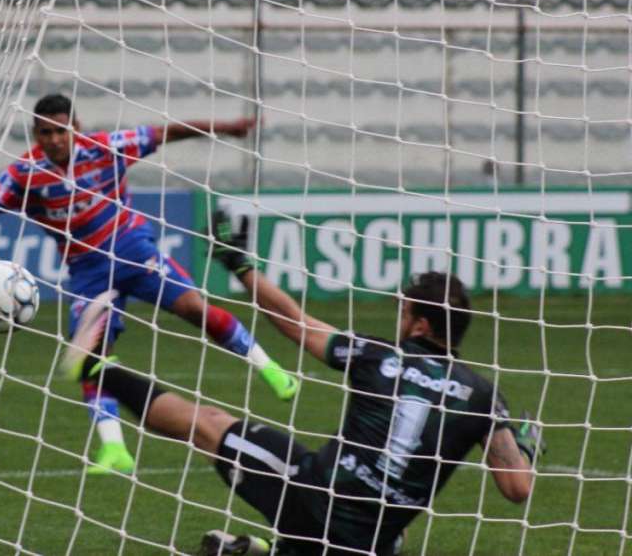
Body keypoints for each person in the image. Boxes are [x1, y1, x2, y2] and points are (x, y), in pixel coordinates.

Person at [60, 211, 545, 555]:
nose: (399, 318)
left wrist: (239, 266)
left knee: (207, 423)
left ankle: (100, 369)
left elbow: (295, 322)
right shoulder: (485, 398)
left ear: (420, 326)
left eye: (404, 311)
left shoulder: (381, 357)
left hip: (313, 497)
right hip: (374, 541)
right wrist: (523, 445)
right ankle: (258, 547)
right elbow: (517, 488)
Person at [0, 94, 298, 474]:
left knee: (193, 308)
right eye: (45, 132)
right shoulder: (22, 174)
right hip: (88, 271)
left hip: (131, 249)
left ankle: (272, 370)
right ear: (35, 133)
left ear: (76, 128)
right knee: (90, 355)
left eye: (60, 130)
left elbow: (169, 132)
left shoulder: (105, 148)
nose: (54, 139)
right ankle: (114, 450)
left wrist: (227, 127)